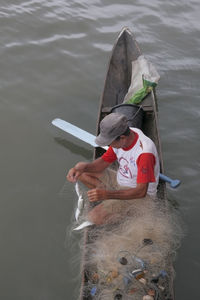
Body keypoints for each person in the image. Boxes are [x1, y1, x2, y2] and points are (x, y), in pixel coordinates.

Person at [67, 113, 160, 225]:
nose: (108, 145)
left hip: (140, 196)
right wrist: (83, 167)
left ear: (122, 138)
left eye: (110, 143)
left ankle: (128, 213)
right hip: (121, 181)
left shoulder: (144, 154)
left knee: (93, 218)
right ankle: (109, 201)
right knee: (81, 173)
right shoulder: (127, 134)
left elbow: (141, 192)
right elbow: (102, 163)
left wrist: (108, 194)